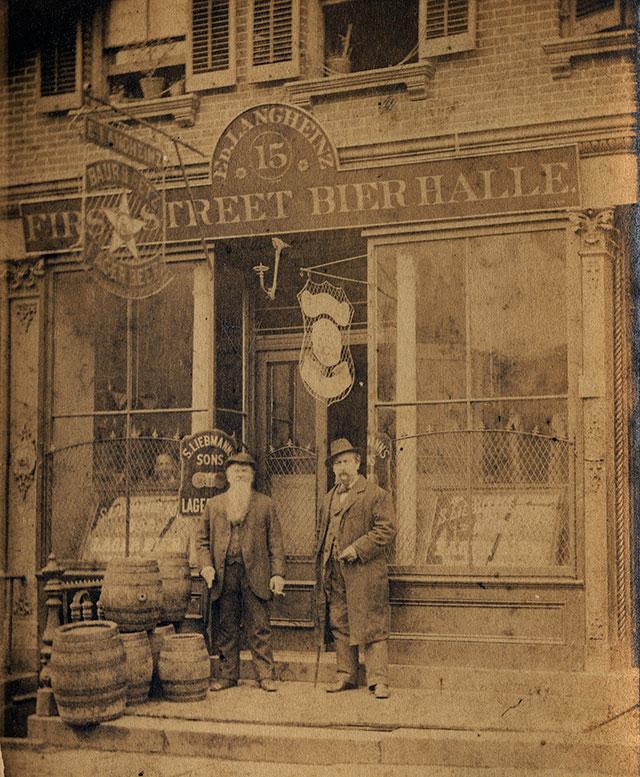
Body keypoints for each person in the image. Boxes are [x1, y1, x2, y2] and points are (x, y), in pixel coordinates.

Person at [197, 450, 286, 692]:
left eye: (245, 471)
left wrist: (277, 574)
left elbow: (276, 543)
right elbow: (202, 541)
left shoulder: (265, 504)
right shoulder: (213, 505)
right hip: (224, 575)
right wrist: (205, 566)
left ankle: (265, 675)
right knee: (226, 626)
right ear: (227, 475)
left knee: (259, 626)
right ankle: (228, 676)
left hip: (255, 574)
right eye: (235, 470)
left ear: (252, 476)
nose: (240, 474)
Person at [317, 438, 396, 699]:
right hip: (335, 572)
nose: (342, 468)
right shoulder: (328, 498)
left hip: (365, 571)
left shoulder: (375, 494)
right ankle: (345, 674)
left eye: (346, 461)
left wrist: (357, 548)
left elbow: (386, 530)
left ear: (357, 463)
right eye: (337, 463)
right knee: (339, 621)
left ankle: (379, 681)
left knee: (372, 623)